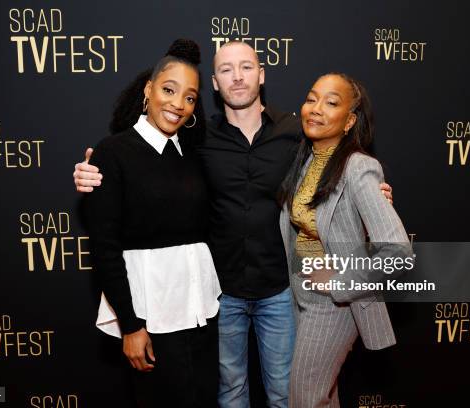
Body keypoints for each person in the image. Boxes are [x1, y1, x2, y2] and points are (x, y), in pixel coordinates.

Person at [75, 41, 393, 408]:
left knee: (286, 394)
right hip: (220, 295)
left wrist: (372, 194)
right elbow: (145, 162)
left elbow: (335, 161)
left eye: (246, 67)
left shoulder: (297, 132)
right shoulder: (197, 139)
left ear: (261, 74)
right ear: (214, 83)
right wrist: (90, 169)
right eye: (226, 70)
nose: (237, 77)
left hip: (280, 290)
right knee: (229, 394)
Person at [84, 39, 221, 408]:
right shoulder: (113, 152)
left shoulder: (190, 154)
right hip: (153, 317)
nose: (178, 104)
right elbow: (106, 247)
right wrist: (130, 325)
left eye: (190, 97)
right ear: (149, 89)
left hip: (202, 313)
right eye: (169, 90)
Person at [278, 72, 413, 407]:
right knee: (323, 395)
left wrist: (340, 280)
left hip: (335, 303)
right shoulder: (306, 160)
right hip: (301, 294)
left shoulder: (359, 168)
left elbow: (399, 254)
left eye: (331, 102)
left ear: (350, 120)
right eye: (312, 99)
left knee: (305, 399)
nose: (316, 108)